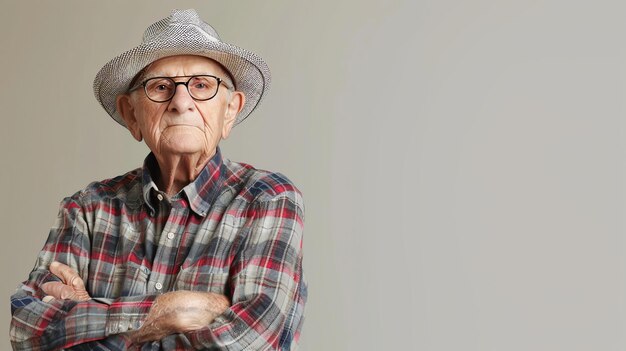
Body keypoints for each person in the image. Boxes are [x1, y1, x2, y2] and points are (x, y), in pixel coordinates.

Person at [9, 9, 306, 351]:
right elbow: (25, 331)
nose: (181, 102)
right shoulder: (87, 209)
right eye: (161, 87)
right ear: (131, 114)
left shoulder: (267, 199)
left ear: (230, 111)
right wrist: (168, 312)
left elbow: (251, 342)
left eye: (201, 86)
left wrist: (89, 321)